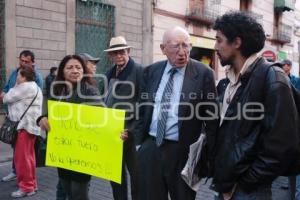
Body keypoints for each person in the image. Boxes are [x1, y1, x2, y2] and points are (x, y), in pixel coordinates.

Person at [211, 11, 299, 200]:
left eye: (219, 40)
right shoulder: (227, 82)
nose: (215, 46)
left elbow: (282, 146)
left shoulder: (273, 78)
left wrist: (245, 182)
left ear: (237, 42)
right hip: (225, 186)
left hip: (249, 191)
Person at [135, 26, 218, 200]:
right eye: (176, 46)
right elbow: (142, 109)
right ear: (163, 49)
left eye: (186, 46)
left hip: (183, 152)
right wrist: (139, 144)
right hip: (151, 147)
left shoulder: (204, 74)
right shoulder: (151, 71)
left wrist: (209, 156)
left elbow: (212, 118)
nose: (182, 52)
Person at [103, 36, 143, 200]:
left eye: (122, 52)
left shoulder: (139, 71)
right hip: (113, 134)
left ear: (128, 51)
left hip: (131, 135)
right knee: (115, 177)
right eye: (115, 53)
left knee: (136, 177)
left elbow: (145, 104)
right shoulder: (109, 72)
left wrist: (131, 131)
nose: (119, 56)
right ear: (110, 56)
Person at [1, 50, 44, 182]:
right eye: (22, 60)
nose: (23, 63)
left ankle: (26, 183)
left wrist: (8, 95)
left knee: (23, 155)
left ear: (33, 62)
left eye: (27, 61)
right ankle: (20, 174)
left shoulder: (35, 79)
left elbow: (10, 95)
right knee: (20, 153)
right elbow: (7, 88)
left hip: (24, 123)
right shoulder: (16, 73)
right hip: (16, 121)